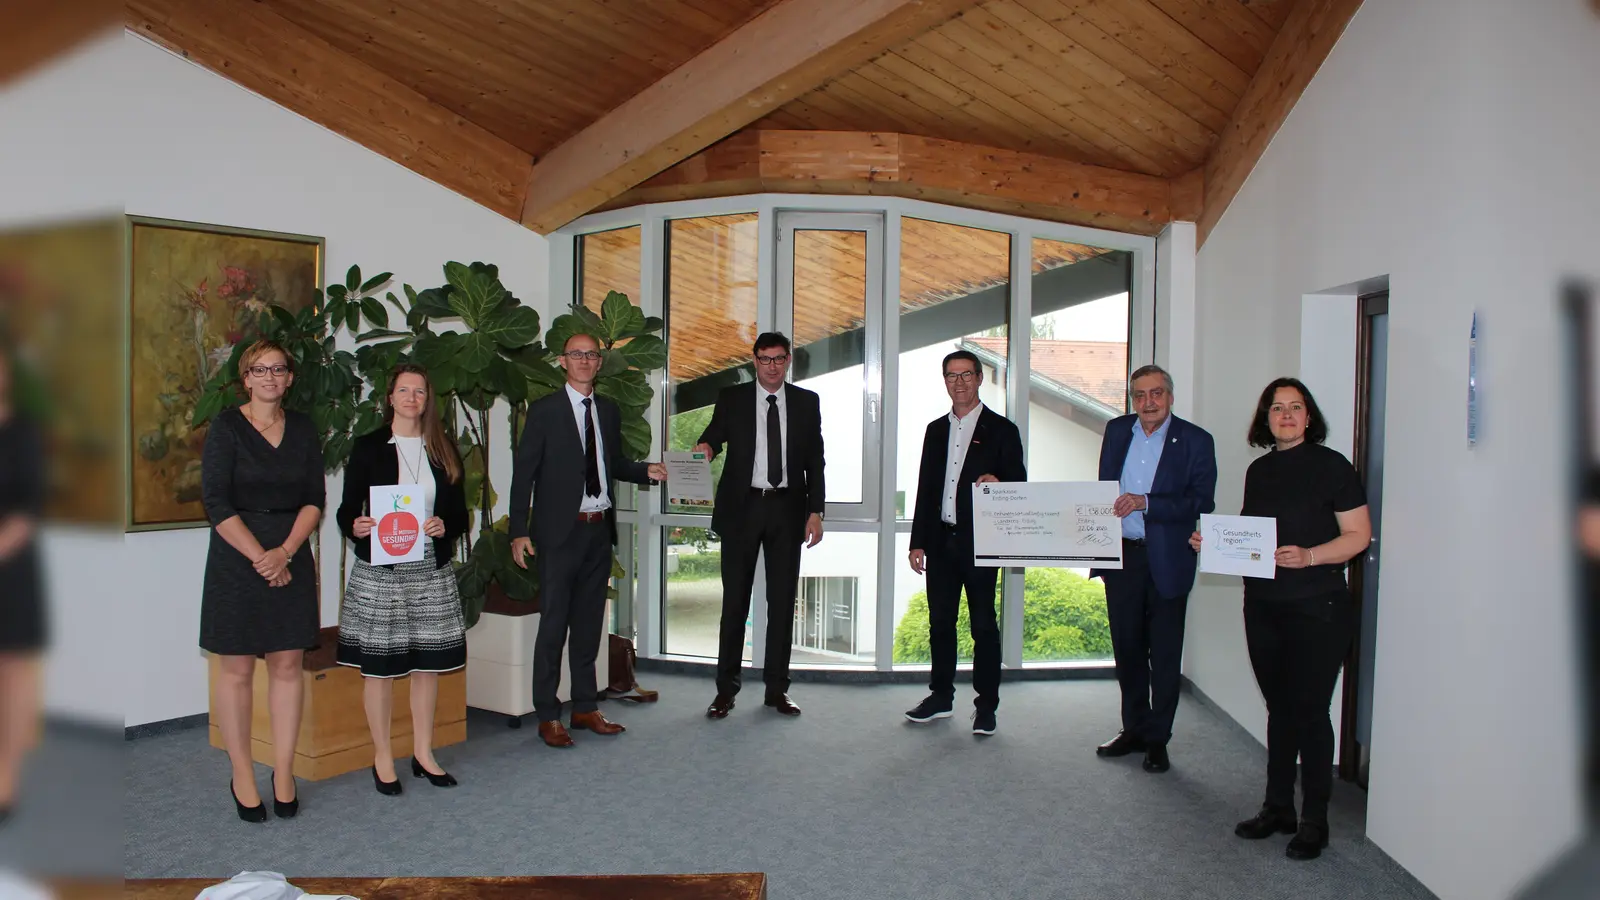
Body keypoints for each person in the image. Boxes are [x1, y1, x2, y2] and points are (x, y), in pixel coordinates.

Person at [1189, 377, 1370, 861]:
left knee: (1309, 712)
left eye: (1295, 407)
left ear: (1309, 417)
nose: (1286, 415)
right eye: (1276, 408)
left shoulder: (1333, 467)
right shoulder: (1260, 470)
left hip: (1319, 606)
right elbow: (1252, 539)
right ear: (1265, 418)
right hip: (1264, 606)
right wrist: (1213, 544)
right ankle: (1278, 808)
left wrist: (1310, 556)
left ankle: (1315, 820)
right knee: (1280, 709)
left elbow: (1358, 536)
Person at [508, 333, 666, 749]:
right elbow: (524, 474)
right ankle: (548, 714)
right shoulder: (544, 411)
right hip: (559, 534)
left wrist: (647, 470)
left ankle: (584, 707)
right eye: (576, 354)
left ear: (599, 362)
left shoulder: (608, 411)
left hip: (598, 532)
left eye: (591, 354)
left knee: (589, 626)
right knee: (553, 626)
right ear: (563, 361)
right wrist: (518, 531)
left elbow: (613, 464)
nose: (584, 360)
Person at [199, 340, 324, 822]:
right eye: (259, 369)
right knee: (235, 671)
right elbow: (216, 502)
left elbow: (314, 498)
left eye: (279, 369)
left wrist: (285, 552)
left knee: (287, 666)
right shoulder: (226, 427)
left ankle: (284, 772)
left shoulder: (304, 428)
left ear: (290, 378)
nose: (270, 376)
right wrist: (261, 557)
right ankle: (243, 776)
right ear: (245, 378)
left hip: (290, 551)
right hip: (237, 557)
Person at [336, 363, 469, 794]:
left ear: (428, 400)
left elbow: (460, 515)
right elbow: (346, 509)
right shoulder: (369, 447)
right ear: (390, 397)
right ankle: (382, 757)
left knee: (426, 666)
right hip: (383, 570)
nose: (412, 398)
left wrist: (443, 525)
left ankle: (424, 753)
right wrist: (355, 525)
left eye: (420, 391)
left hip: (430, 568)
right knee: (380, 669)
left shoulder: (443, 449)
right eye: (404, 390)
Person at [1091, 364, 1216, 773]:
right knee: (1127, 650)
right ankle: (1134, 729)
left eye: (1156, 393)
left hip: (1168, 559)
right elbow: (1103, 488)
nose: (1148, 402)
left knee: (1163, 654)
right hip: (1122, 557)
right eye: (1140, 395)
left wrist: (1147, 503)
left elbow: (1202, 501)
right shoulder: (1116, 431)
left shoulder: (1196, 440)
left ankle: (1158, 739)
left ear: (1170, 396)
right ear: (1132, 399)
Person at [694, 333, 825, 720]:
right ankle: (725, 691)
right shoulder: (732, 398)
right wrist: (705, 447)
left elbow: (815, 461)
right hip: (742, 509)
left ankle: (777, 690)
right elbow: (714, 436)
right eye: (765, 359)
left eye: (779, 359)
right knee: (734, 603)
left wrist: (816, 511)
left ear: (788, 361)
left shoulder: (806, 402)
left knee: (782, 604)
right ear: (754, 361)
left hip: (788, 510)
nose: (772, 366)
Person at [904, 350, 1025, 735]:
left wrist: (1000, 483)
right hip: (941, 541)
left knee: (983, 626)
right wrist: (917, 541)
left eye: (966, 375)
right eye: (951, 376)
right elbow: (926, 488)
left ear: (979, 378)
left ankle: (986, 706)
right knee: (940, 623)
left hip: (981, 543)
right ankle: (940, 697)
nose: (959, 383)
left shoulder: (1002, 430)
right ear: (945, 381)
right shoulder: (935, 430)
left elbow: (1020, 484)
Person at [0, 344, 45, 825]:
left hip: (11, 568)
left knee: (12, 674)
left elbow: (30, 505)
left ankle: (6, 780)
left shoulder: (23, 432)